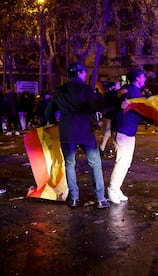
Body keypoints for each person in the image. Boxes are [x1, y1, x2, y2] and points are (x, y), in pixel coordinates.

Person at [45, 62, 110, 209]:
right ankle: (100, 198)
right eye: (84, 72)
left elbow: (49, 112)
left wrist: (51, 120)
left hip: (67, 131)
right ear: (79, 73)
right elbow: (96, 105)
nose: (85, 74)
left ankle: (74, 198)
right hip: (85, 131)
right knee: (95, 164)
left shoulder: (59, 91)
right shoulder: (86, 89)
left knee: (69, 164)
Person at [107, 68, 146, 204]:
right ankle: (112, 188)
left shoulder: (135, 91)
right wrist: (124, 104)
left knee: (126, 162)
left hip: (129, 129)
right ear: (137, 78)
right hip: (122, 129)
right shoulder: (128, 90)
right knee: (122, 161)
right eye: (143, 77)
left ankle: (117, 188)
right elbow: (121, 103)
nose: (145, 79)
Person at [99, 81, 121, 155]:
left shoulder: (106, 95)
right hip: (113, 116)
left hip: (107, 116)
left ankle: (102, 148)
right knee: (113, 133)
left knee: (107, 133)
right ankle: (117, 149)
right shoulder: (115, 94)